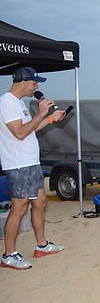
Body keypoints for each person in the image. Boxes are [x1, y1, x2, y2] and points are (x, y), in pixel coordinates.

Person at [0, 67, 66, 270]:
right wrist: (42, 112)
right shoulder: (7, 102)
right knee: (19, 208)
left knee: (41, 202)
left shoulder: (19, 103)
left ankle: (42, 245)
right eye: (34, 82)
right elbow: (19, 133)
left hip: (31, 162)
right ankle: (8, 255)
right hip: (19, 164)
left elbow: (30, 129)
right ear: (23, 82)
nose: (37, 86)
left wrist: (49, 119)